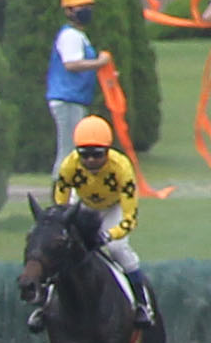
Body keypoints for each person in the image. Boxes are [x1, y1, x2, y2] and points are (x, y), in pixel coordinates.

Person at [32, 113, 157, 331]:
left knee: (118, 250)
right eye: (85, 154)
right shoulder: (69, 166)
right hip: (82, 205)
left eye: (96, 155)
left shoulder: (122, 168)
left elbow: (129, 219)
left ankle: (142, 304)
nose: (90, 161)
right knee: (62, 251)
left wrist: (108, 234)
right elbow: (60, 206)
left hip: (113, 208)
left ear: (107, 151)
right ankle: (44, 306)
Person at [52, 0, 115, 162]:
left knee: (72, 150)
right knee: (69, 152)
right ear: (68, 11)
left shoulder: (78, 35)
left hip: (73, 98)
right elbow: (71, 65)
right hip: (67, 98)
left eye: (88, 6)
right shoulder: (70, 36)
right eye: (80, 6)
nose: (86, 10)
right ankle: (61, 188)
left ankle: (70, 189)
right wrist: (99, 63)